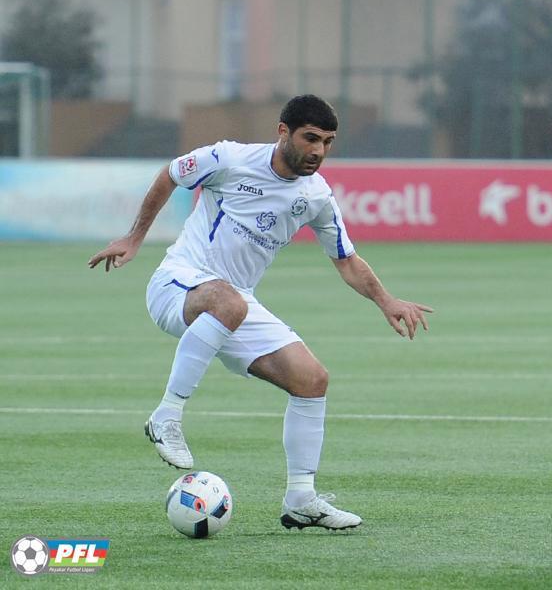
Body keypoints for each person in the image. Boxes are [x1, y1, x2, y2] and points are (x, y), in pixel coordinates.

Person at [88, 94, 433, 531]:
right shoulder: (229, 159)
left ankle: (301, 500)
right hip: (179, 283)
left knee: (312, 380)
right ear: (283, 131)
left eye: (328, 142)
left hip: (234, 303)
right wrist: (134, 237)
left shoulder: (316, 196)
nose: (319, 151)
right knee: (229, 301)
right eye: (311, 138)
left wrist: (387, 300)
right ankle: (167, 416)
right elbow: (171, 174)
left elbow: (346, 260)